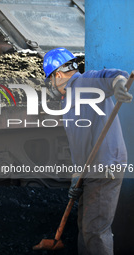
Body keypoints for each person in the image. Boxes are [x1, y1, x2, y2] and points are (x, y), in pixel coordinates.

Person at [43, 47, 132, 255]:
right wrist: (77, 177)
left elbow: (110, 76)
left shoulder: (84, 83)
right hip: (92, 170)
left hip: (105, 167)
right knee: (85, 224)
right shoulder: (71, 99)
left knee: (95, 229)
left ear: (57, 75)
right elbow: (79, 142)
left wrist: (119, 84)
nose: (51, 85)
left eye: (50, 79)